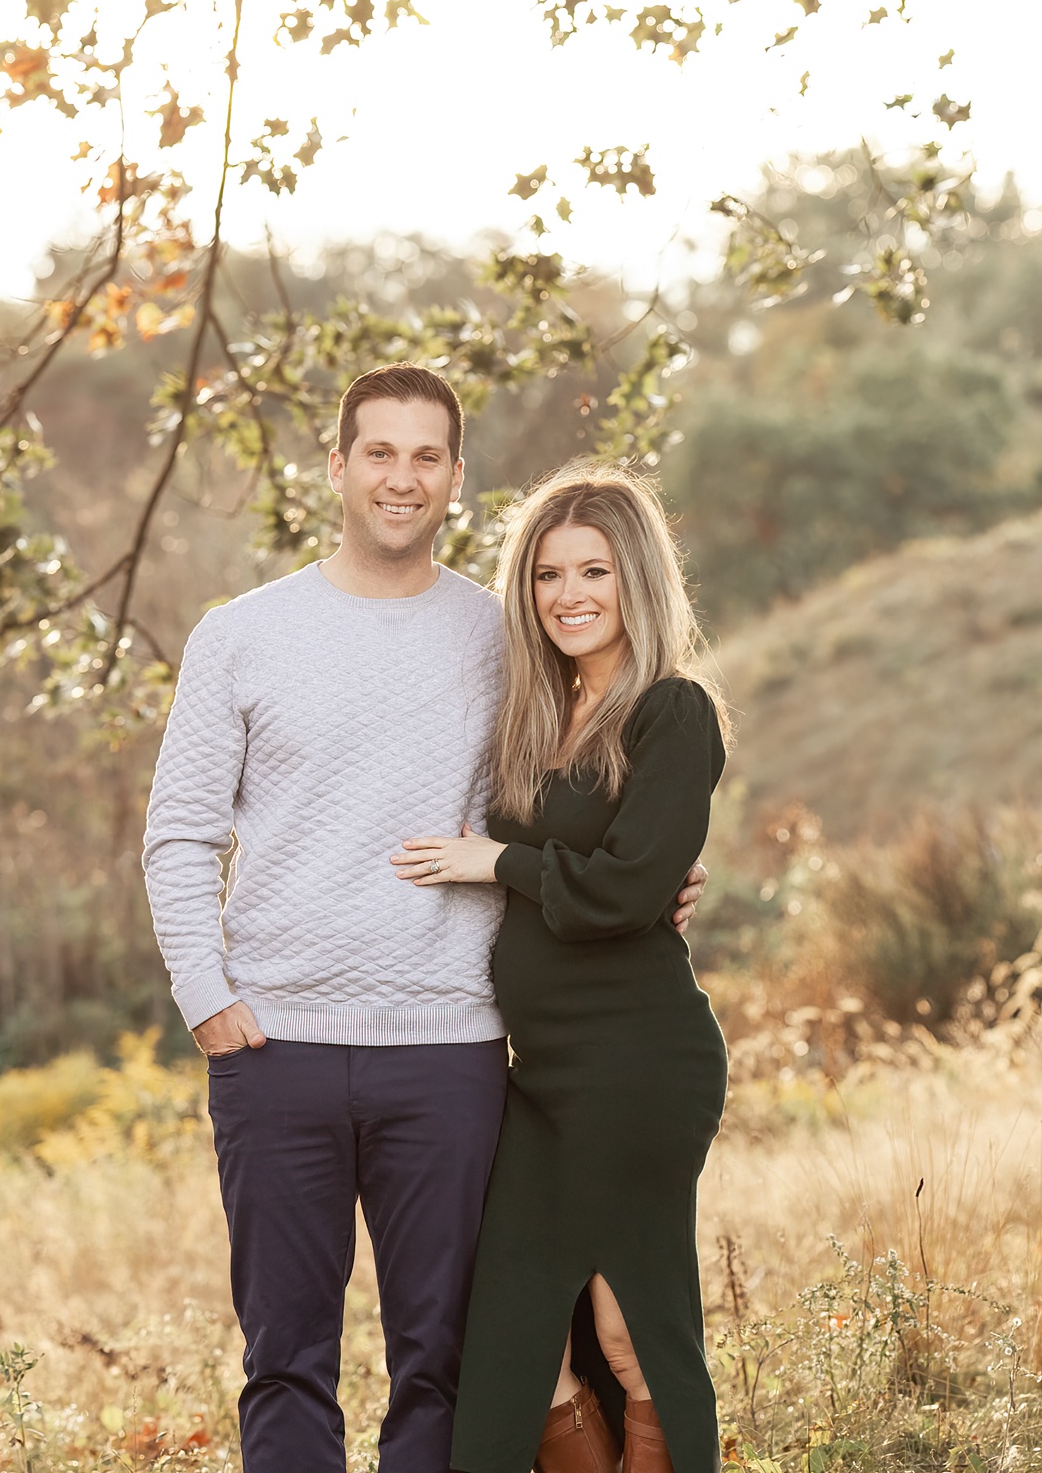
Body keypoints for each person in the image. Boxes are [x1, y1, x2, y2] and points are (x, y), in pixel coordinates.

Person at [141, 368, 702, 1473]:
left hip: (449, 1051)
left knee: (442, 1362)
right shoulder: (240, 635)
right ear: (338, 464)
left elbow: (616, 768)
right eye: (380, 452)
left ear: (455, 476)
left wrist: (663, 876)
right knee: (285, 1358)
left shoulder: (510, 638)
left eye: (427, 456)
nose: (402, 477)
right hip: (276, 1048)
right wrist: (205, 996)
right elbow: (180, 833)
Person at [391, 462, 733, 1473]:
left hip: (637, 1066)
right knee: (512, 1346)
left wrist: (498, 859)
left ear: (638, 580)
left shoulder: (672, 712)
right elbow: (607, 871)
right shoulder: (532, 716)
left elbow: (626, 891)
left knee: (633, 1332)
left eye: (595, 570)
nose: (570, 595)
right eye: (547, 574)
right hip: (537, 1078)